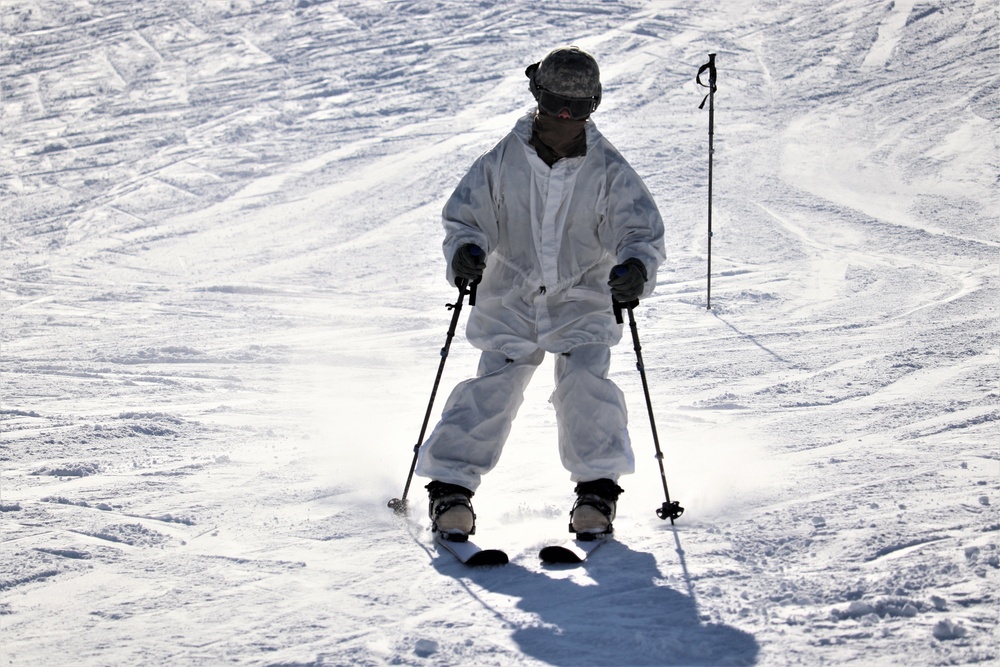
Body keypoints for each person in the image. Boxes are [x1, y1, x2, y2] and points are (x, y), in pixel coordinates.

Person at [415, 45, 665, 541]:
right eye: (556, 107)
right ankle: (450, 489)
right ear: (538, 99)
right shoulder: (501, 162)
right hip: (511, 291)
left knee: (585, 380)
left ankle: (596, 492)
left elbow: (639, 230)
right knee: (498, 380)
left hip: (584, 294)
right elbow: (466, 216)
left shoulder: (609, 169)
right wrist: (466, 250)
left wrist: (636, 266)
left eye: (578, 110)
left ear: (593, 107)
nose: (565, 120)